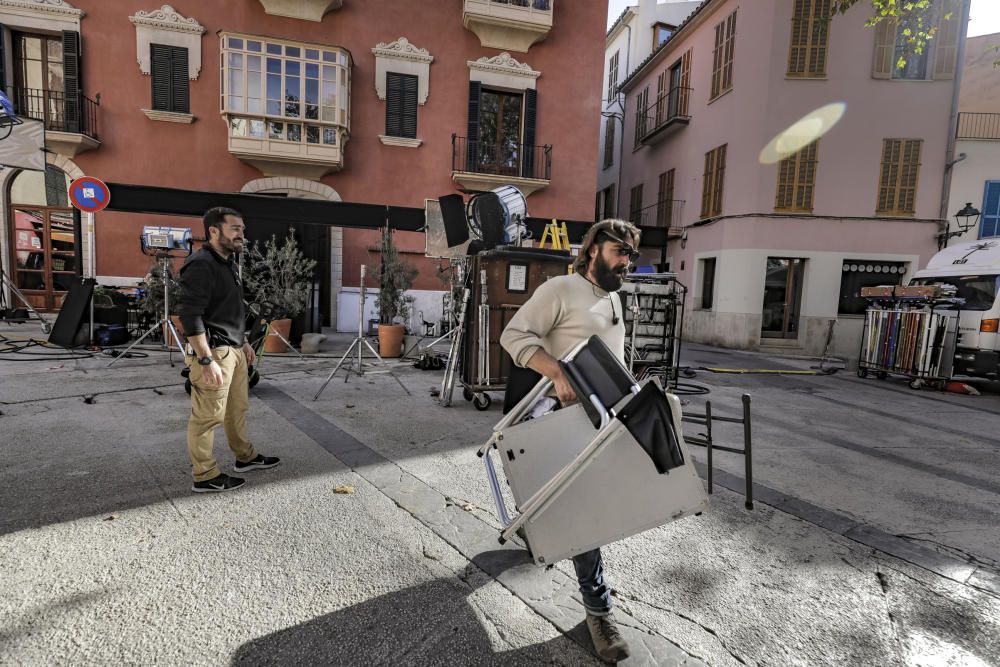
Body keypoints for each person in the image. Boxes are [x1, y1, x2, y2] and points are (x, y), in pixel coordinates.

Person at [499, 218, 641, 664]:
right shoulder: (559, 290)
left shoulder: (616, 297)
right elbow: (513, 335)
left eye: (632, 254)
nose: (627, 261)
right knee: (585, 515)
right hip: (565, 421)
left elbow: (612, 355)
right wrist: (557, 372)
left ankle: (536, 525)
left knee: (580, 505)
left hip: (605, 419)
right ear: (594, 248)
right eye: (620, 251)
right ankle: (599, 612)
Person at [178, 207, 280, 493]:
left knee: (237, 410)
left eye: (242, 229)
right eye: (235, 229)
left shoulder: (227, 263)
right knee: (208, 416)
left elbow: (228, 309)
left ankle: (245, 458)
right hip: (214, 352)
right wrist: (205, 358)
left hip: (233, 348)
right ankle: (205, 474)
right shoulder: (200, 264)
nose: (242, 235)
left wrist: (243, 341)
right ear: (214, 231)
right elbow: (190, 315)